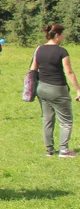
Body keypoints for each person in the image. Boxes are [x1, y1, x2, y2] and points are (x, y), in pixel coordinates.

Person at [31, 23, 80, 158]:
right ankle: (64, 150)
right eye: (63, 35)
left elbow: (33, 69)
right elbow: (69, 71)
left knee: (47, 120)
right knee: (66, 121)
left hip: (41, 88)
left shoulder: (39, 49)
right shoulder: (61, 51)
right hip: (58, 88)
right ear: (57, 35)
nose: (64, 37)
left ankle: (49, 150)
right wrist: (78, 89)